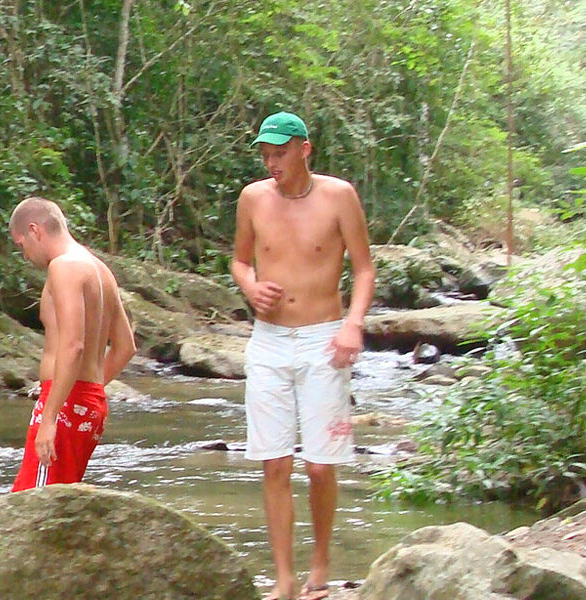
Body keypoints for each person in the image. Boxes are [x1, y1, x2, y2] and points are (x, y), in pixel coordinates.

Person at [231, 111, 376, 600]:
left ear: (304, 149)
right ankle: (285, 578)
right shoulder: (253, 198)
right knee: (274, 463)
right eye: (266, 155)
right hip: (269, 342)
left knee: (318, 465)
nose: (273, 163)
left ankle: (320, 563)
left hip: (324, 339)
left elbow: (364, 269)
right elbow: (239, 259)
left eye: (281, 153)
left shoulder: (339, 196)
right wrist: (251, 286)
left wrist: (353, 325)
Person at [6, 197, 137, 492]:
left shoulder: (64, 267)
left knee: (33, 504)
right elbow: (126, 347)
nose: (24, 255)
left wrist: (51, 416)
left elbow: (73, 345)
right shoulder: (100, 270)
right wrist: (90, 392)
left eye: (21, 245)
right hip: (86, 401)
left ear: (34, 230)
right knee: (56, 504)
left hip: (65, 401)